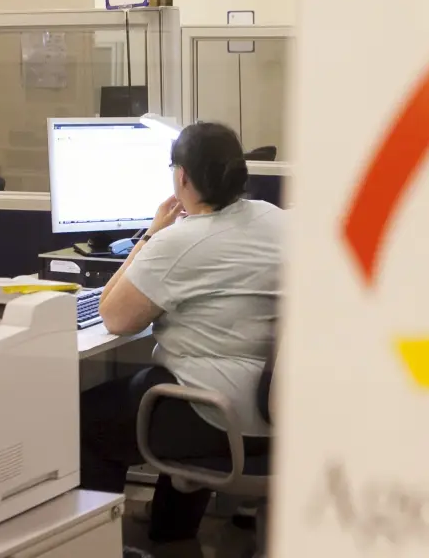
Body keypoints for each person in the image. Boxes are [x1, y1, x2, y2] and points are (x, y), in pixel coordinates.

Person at [79, 121, 282, 543]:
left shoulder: (179, 241)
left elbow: (113, 316)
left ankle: (98, 547)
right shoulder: (277, 219)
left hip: (216, 416)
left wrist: (151, 235)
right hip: (279, 415)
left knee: (88, 422)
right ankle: (171, 534)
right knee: (177, 381)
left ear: (182, 176)